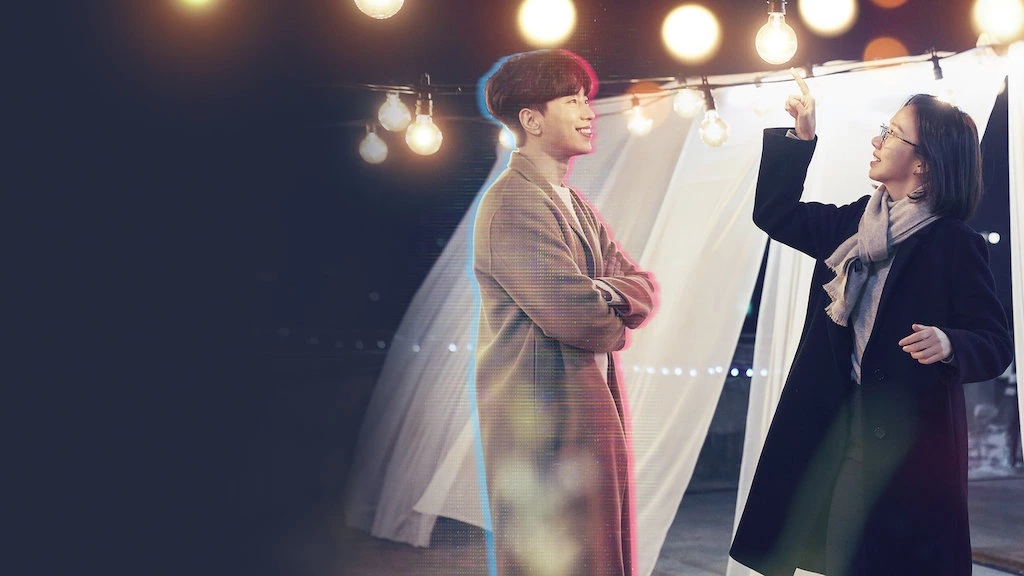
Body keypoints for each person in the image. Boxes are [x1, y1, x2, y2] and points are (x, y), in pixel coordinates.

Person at [730, 70, 1014, 576]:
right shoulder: (854, 225)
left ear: (922, 163)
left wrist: (950, 343)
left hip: (910, 448)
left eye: (891, 133)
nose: (876, 140)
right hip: (833, 425)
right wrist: (801, 138)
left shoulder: (954, 243)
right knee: (841, 554)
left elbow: (995, 342)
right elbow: (774, 213)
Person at [473, 49, 656, 576]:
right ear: (531, 120)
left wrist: (603, 292)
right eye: (572, 101)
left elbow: (644, 288)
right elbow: (580, 318)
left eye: (586, 100)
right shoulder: (512, 202)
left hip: (579, 417)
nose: (588, 112)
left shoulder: (573, 203)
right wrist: (610, 305)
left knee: (595, 555)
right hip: (542, 424)